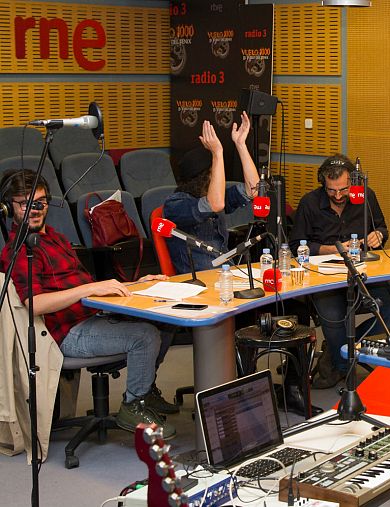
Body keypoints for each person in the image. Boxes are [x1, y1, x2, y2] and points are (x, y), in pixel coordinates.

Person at [0, 170, 178, 437]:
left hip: (91, 316)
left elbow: (92, 289)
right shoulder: (20, 250)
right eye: (25, 204)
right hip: (63, 334)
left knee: (166, 319)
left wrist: (138, 283)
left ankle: (146, 390)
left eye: (40, 202)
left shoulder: (56, 238)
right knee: (144, 336)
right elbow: (34, 304)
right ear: (9, 207)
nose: (34, 210)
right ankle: (134, 405)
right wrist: (91, 287)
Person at [288, 154, 390, 388]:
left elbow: (381, 227)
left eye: (343, 189)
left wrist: (378, 235)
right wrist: (332, 249)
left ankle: (337, 351)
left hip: (362, 273)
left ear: (354, 182)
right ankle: (343, 367)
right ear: (323, 183)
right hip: (324, 277)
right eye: (332, 191)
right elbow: (296, 244)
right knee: (333, 318)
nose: (338, 196)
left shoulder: (366, 196)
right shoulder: (309, 203)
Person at [163, 113, 260, 273]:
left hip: (226, 274)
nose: (221, 179)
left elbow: (254, 189)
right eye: (216, 174)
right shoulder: (175, 204)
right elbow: (215, 204)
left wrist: (241, 145)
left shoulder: (218, 195)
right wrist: (217, 153)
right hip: (199, 282)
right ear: (205, 177)